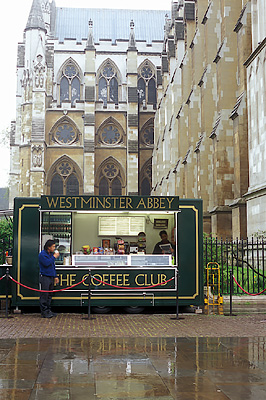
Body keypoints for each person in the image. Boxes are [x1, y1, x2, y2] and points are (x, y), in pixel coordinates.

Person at [39, 239, 59, 318]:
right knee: (44, 294)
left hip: (50, 277)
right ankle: (44, 311)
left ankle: (48, 310)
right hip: (45, 277)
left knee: (49, 294)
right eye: (53, 246)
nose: (54, 248)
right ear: (48, 247)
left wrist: (55, 276)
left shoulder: (50, 254)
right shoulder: (42, 254)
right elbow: (47, 263)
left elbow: (52, 266)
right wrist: (54, 257)